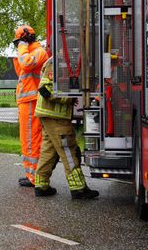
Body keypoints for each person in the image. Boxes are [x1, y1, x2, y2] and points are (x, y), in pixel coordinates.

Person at [34, 57, 99, 199]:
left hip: (50, 115)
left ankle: (41, 184)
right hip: (56, 116)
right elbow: (45, 90)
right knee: (69, 150)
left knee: (49, 149)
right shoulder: (56, 63)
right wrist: (69, 97)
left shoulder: (60, 62)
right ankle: (78, 188)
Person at [12, 25, 48, 188]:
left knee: (32, 140)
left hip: (32, 101)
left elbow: (26, 64)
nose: (17, 46)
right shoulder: (29, 52)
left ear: (25, 40)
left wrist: (22, 46)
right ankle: (31, 174)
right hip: (27, 101)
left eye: (18, 42)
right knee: (27, 140)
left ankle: (34, 176)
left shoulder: (39, 52)